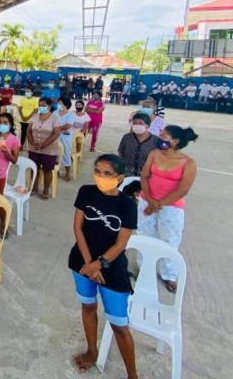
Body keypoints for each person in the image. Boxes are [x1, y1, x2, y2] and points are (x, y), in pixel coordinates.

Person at [69, 154, 138, 378]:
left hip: (113, 269)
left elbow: (121, 243)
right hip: (81, 262)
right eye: (97, 171)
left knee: (119, 324)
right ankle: (92, 351)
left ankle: (132, 375)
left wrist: (99, 264)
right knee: (88, 307)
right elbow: (78, 228)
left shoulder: (127, 204)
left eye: (106, 173)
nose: (100, 176)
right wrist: (89, 264)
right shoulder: (86, 192)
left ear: (119, 178)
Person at [138, 125, 198, 293]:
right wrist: (150, 200)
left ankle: (169, 274)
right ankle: (144, 268)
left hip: (171, 207)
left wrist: (157, 204)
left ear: (175, 141)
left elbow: (183, 190)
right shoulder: (154, 154)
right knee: (145, 235)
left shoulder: (188, 163)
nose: (160, 138)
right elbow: (144, 176)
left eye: (164, 136)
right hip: (146, 201)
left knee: (169, 241)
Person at [27, 97, 61, 199]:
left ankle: (46, 190)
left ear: (49, 107)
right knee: (34, 169)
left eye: (43, 105)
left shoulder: (54, 118)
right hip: (34, 148)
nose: (41, 107)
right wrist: (32, 142)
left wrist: (44, 144)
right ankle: (34, 187)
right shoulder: (34, 116)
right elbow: (28, 131)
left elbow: (56, 134)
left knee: (47, 170)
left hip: (49, 150)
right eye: (40, 105)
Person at [0, 113, 19, 237]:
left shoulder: (13, 139)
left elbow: (14, 160)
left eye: (5, 123)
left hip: (0, 174)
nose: (2, 125)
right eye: (0, 122)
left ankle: (3, 222)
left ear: (10, 125)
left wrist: (6, 152)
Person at [117, 113, 160, 177]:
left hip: (146, 177)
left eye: (140, 123)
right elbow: (121, 152)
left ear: (148, 125)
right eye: (135, 123)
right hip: (127, 175)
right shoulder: (127, 137)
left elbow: (158, 159)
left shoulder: (156, 140)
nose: (137, 125)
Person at [57, 97, 77, 181]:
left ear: (66, 105)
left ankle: (67, 173)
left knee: (66, 154)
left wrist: (55, 128)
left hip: (65, 137)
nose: (58, 105)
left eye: (60, 103)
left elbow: (67, 126)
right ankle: (56, 170)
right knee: (55, 154)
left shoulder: (70, 115)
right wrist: (58, 129)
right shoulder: (55, 113)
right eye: (58, 103)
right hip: (55, 136)